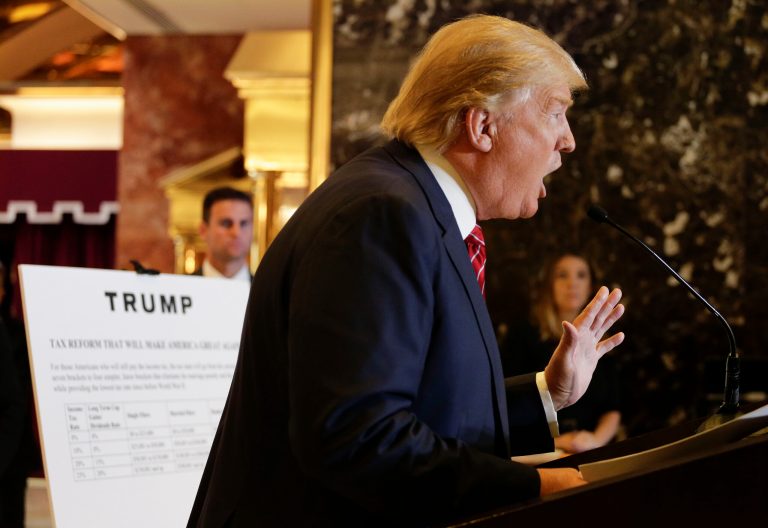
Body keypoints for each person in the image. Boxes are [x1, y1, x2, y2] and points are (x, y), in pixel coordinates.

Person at [188, 15, 625, 527]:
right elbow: (357, 436)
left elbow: (422, 409)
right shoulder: (381, 215)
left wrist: (546, 393)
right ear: (482, 125)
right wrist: (533, 486)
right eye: (555, 114)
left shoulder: (413, 205)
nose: (568, 141)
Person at [502, 254, 622, 454]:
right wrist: (554, 442)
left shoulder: (601, 341)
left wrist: (594, 441)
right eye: (562, 275)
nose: (572, 283)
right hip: (538, 451)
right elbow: (508, 400)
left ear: (591, 285)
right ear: (549, 285)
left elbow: (613, 408)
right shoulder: (523, 334)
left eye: (581, 275)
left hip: (591, 449)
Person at [195, 186, 254, 281]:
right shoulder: (179, 289)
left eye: (244, 224)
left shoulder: (270, 293)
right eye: (226, 223)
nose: (236, 233)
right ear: (203, 230)